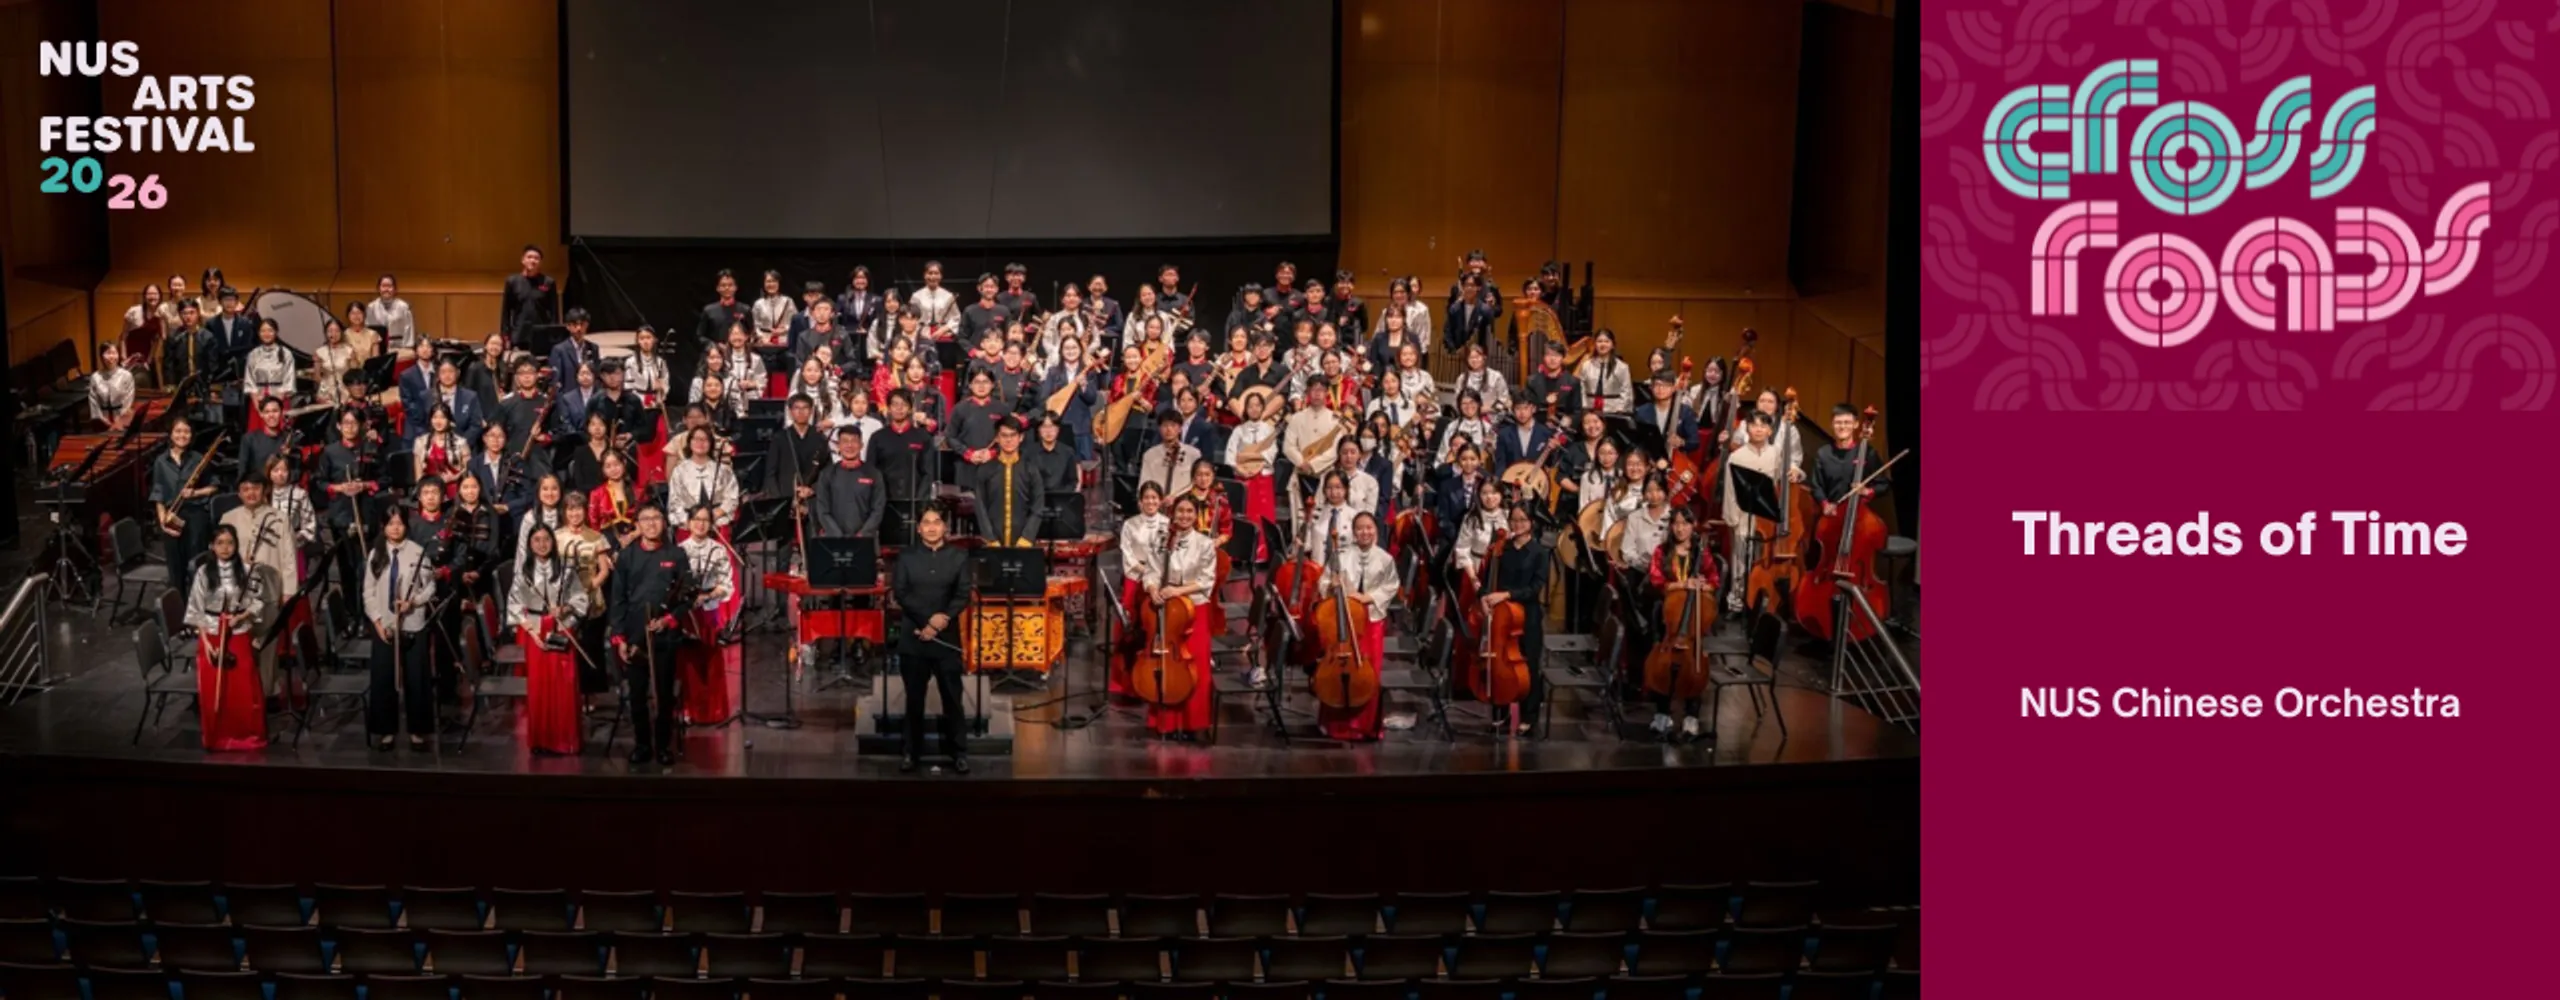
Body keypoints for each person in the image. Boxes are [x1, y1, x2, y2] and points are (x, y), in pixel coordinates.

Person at [609, 506, 695, 765]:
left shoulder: (676, 555)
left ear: (664, 522)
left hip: (665, 636)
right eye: (645, 520)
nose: (650, 524)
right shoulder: (627, 556)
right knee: (637, 694)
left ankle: (663, 745)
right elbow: (618, 600)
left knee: (664, 693)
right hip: (635, 635)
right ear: (638, 524)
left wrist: (669, 620)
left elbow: (687, 596)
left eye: (655, 519)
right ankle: (642, 744)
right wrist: (619, 637)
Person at [890, 503, 971, 774]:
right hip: (914, 638)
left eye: (937, 521)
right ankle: (911, 752)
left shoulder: (958, 557)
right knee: (914, 699)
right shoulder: (906, 557)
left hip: (946, 639)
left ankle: (958, 752)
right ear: (919, 527)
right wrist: (928, 621)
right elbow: (900, 592)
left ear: (945, 527)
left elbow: (962, 594)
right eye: (927, 522)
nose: (932, 526)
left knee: (952, 698)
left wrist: (941, 621)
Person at [1134, 493, 1220, 739]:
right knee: (1166, 665)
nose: (1184, 516)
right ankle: (1167, 724)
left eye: (1189, 512)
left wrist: (1177, 591)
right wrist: (1152, 589)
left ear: (1196, 515)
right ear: (1173, 514)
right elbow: (1150, 571)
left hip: (1194, 611)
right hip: (1167, 611)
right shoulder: (1162, 540)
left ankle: (1194, 725)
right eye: (1180, 511)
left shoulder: (1204, 544)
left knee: (1196, 668)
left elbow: (1206, 581)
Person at [184, 524, 270, 751]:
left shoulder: (248, 569)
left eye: (230, 543)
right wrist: (207, 645)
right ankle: (217, 737)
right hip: (211, 634)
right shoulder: (203, 572)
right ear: (212, 546)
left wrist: (242, 616)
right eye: (220, 543)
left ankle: (247, 736)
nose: (225, 547)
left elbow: (257, 601)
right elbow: (196, 610)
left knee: (243, 687)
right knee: (214, 690)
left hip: (238, 632)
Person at [1315, 511, 1398, 741]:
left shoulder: (1385, 558)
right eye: (1360, 528)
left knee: (1368, 674)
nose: (1365, 532)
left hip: (1371, 621)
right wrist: (1331, 585)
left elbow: (1391, 586)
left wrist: (1368, 597)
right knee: (1340, 672)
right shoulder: (1340, 555)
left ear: (1376, 531)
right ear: (1353, 532)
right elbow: (1322, 582)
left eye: (1369, 528)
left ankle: (1366, 726)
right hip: (1345, 621)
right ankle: (1337, 726)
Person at [509, 524, 589, 755]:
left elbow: (581, 600)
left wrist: (564, 609)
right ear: (530, 544)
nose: (542, 544)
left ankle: (566, 741)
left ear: (553, 542)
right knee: (539, 687)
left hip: (563, 630)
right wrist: (533, 632)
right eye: (536, 540)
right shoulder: (523, 573)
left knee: (564, 684)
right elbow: (514, 607)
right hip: (535, 632)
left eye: (546, 539)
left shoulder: (566, 569)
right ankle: (541, 741)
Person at [1478, 504, 1551, 737]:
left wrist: (1506, 595)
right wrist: (1484, 598)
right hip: (1500, 616)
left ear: (1531, 523)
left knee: (1528, 665)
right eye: (1513, 520)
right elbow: (1487, 579)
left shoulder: (1540, 552)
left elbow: (1535, 587)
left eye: (1522, 520)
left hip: (1526, 616)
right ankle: (1501, 712)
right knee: (1500, 663)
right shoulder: (1501, 549)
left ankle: (1529, 716)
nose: (1517, 524)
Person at [363, 512, 434, 752]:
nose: (395, 529)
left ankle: (417, 731)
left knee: (417, 677)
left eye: (399, 524)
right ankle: (385, 731)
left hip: (413, 623)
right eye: (390, 524)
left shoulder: (417, 552)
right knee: (384, 678)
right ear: (383, 527)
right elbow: (368, 592)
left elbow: (430, 587)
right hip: (385, 625)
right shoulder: (376, 554)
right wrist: (377, 621)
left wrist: (413, 602)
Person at [1646, 506, 1717, 742]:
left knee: (1694, 665)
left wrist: (1705, 586)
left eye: (1685, 524)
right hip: (1667, 615)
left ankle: (1692, 715)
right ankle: (1662, 712)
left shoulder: (1701, 553)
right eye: (1676, 523)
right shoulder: (1661, 551)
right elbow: (1656, 580)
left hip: (1693, 617)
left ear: (1692, 526)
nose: (1680, 528)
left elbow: (1714, 578)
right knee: (1662, 664)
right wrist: (1681, 585)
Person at [1723, 412, 1797, 613]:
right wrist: (1732, 519)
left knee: (1762, 560)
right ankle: (1737, 602)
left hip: (1767, 518)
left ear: (1770, 430)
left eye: (1763, 426)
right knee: (1740, 560)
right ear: (1747, 429)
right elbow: (1730, 491)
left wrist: (1797, 472)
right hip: (1742, 515)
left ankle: (1759, 601)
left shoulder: (1776, 453)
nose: (1758, 429)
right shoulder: (1736, 456)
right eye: (1754, 425)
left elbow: (1788, 476)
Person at [676, 504, 737, 726]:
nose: (700, 524)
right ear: (688, 523)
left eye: (705, 520)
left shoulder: (718, 550)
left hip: (709, 610)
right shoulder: (680, 549)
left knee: (710, 660)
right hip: (687, 612)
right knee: (688, 662)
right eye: (696, 520)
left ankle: (713, 712)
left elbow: (726, 585)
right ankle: (688, 710)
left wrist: (708, 596)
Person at [151, 418, 219, 580]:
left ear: (192, 435)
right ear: (171, 434)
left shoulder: (199, 459)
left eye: (186, 432)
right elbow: (158, 493)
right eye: (178, 431)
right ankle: (179, 603)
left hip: (196, 515)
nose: (182, 435)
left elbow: (214, 487)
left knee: (196, 565)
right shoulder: (161, 461)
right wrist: (162, 520)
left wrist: (195, 493)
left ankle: (197, 602)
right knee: (175, 566)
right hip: (172, 515)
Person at [970, 418, 1043, 547]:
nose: (1008, 440)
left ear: (1021, 437)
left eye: (1013, 435)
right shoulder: (985, 469)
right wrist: (990, 538)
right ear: (997, 438)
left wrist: (1027, 537)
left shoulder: (1030, 469)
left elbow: (1038, 505)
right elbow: (980, 507)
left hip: (1024, 541)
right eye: (1004, 435)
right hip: (993, 542)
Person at [1810, 403, 1888, 516]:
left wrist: (1866, 491)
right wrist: (1825, 504)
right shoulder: (1823, 453)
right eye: (1838, 422)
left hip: (1860, 517)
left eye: (1847, 422)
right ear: (1832, 424)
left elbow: (1883, 484)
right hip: (1832, 516)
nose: (1842, 427)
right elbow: (1816, 486)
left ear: (1855, 424)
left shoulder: (1868, 453)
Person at [667, 428, 743, 533]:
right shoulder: (679, 471)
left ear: (711, 444)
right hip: (688, 527)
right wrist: (690, 522)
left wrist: (718, 513)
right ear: (689, 442)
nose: (700, 443)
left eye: (704, 440)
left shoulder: (723, 470)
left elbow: (732, 498)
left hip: (718, 525)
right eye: (696, 439)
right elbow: (674, 502)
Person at [1028, 414, 1083, 539]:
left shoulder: (1068, 452)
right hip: (1035, 503)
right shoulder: (1028, 452)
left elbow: (1073, 481)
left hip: (1061, 503)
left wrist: (1063, 496)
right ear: (1039, 430)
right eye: (1044, 427)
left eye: (1052, 427)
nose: (1048, 431)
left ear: (1058, 429)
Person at [1138, 413, 1201, 499]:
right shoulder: (1149, 455)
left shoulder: (1194, 454)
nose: (1169, 429)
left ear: (1180, 429)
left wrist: (1176, 497)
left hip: (1184, 503)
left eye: (1173, 425)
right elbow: (1143, 484)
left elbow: (1196, 484)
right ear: (1159, 429)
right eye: (1165, 426)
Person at [501, 245, 556, 340]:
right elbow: (506, 311)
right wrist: (505, 334)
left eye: (536, 258)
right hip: (518, 334)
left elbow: (554, 312)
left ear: (540, 262)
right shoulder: (512, 281)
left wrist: (553, 334)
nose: (533, 261)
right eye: (529, 257)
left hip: (541, 334)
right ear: (523, 260)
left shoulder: (548, 282)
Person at [1576, 329, 1634, 417]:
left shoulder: (1622, 367)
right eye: (1599, 341)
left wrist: (1620, 410)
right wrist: (1584, 408)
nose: (1603, 344)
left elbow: (1627, 391)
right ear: (1595, 344)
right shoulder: (1586, 365)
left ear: (1613, 345)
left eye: (1606, 341)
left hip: (1614, 411)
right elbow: (1582, 389)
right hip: (1590, 410)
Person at [696, 269, 750, 349]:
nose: (727, 288)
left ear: (736, 287)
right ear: (718, 288)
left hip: (739, 353)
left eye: (730, 285)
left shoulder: (745, 309)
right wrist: (715, 346)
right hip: (716, 356)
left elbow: (751, 334)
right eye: (723, 285)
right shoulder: (708, 310)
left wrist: (740, 344)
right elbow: (699, 336)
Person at [90, 343, 136, 432]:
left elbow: (128, 400)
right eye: (108, 353)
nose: (111, 357)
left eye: (114, 353)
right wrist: (102, 419)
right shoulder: (95, 377)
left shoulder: (126, 376)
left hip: (122, 420)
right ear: (101, 356)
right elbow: (93, 402)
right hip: (103, 420)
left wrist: (119, 420)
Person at [911, 260, 959, 341]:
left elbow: (956, 318)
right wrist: (922, 332)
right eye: (930, 273)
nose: (933, 277)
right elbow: (911, 318)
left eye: (936, 273)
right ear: (924, 275)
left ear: (941, 276)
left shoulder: (948, 296)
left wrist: (942, 330)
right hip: (921, 337)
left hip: (943, 335)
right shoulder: (916, 296)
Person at [367, 274, 416, 352]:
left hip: (399, 349)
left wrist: (407, 350)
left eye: (389, 286)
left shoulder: (404, 307)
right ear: (378, 289)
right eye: (383, 286)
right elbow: (368, 331)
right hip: (377, 349)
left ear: (395, 289)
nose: (386, 289)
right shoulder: (371, 307)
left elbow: (409, 332)